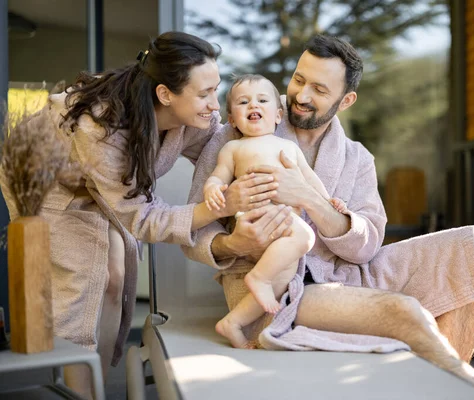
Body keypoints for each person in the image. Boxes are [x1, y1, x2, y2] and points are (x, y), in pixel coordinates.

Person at [183, 34, 474, 397]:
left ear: (346, 100)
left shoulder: (357, 158)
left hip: (344, 273)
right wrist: (231, 241)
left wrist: (312, 201)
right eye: (299, 80)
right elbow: (194, 229)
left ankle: (441, 388)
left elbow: (368, 243)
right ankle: (468, 390)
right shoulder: (239, 131)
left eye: (319, 89)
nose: (301, 96)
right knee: (403, 312)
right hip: (275, 287)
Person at [0, 32, 279, 399]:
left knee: (117, 274)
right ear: (165, 94)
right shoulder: (100, 128)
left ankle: (96, 377)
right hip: (50, 184)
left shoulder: (189, 118)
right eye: (204, 94)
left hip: (103, 186)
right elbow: (143, 219)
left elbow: (235, 136)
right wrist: (222, 206)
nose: (215, 105)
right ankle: (83, 392)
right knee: (83, 282)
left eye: (217, 90)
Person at [206, 74, 344, 348]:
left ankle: (233, 323)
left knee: (281, 281)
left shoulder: (288, 147)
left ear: (278, 115)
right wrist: (212, 188)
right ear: (232, 120)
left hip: (282, 231)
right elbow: (219, 176)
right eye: (243, 102)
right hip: (256, 221)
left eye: (261, 100)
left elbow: (310, 180)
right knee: (305, 237)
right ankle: (257, 276)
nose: (252, 105)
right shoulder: (233, 148)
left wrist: (329, 201)